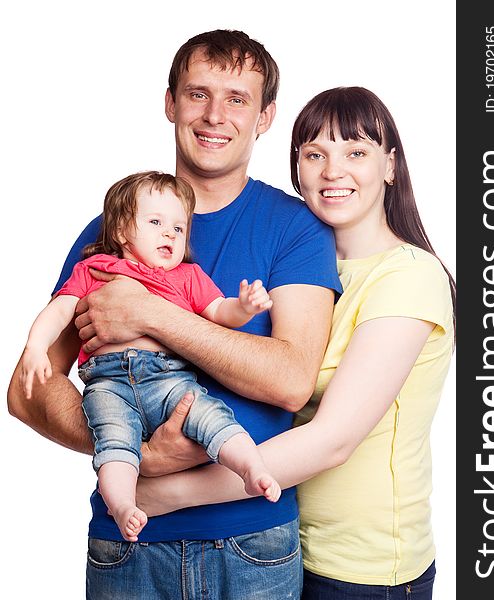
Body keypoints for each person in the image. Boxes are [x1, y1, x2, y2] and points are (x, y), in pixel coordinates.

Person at [7, 30, 341, 599]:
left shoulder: (295, 227)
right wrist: (129, 450)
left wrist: (151, 314)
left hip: (253, 544)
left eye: (238, 98)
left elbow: (289, 382)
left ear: (265, 117)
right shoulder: (107, 235)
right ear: (170, 103)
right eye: (198, 93)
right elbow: (27, 391)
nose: (216, 115)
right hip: (128, 543)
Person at [133, 87, 456, 600]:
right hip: (287, 547)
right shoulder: (305, 269)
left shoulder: (410, 277)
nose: (333, 171)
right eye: (314, 154)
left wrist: (166, 493)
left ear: (390, 166)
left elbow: (332, 440)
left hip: (364, 571)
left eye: (356, 152)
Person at [21, 170, 283, 542]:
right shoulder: (95, 269)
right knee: (114, 442)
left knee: (211, 416)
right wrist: (35, 345)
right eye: (156, 222)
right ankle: (125, 504)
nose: (169, 234)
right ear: (122, 232)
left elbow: (218, 312)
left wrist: (243, 307)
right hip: (108, 384)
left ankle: (252, 469)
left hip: (169, 379)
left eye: (178, 228)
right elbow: (61, 309)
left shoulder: (187, 276)